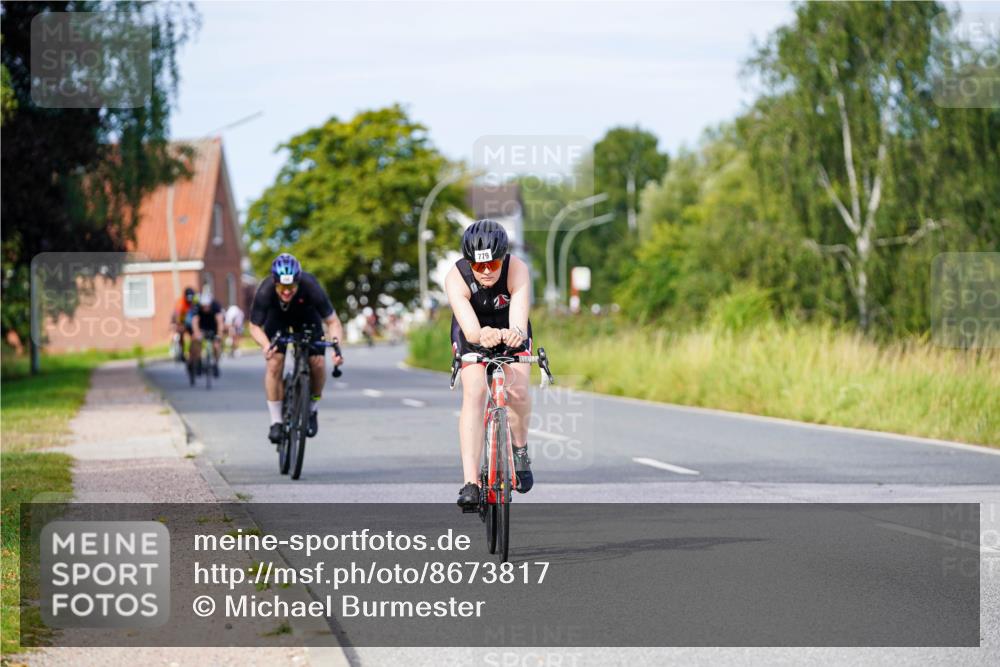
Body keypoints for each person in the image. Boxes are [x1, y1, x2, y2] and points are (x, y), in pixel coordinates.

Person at [445, 220, 533, 509]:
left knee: (517, 391)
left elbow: (519, 321)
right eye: (477, 265)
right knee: (475, 392)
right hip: (473, 331)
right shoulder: (456, 277)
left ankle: (519, 451)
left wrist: (514, 334)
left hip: (509, 327)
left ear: (503, 257)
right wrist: (481, 335)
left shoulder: (517, 269)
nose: (485, 272)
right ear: (468, 262)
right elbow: (470, 330)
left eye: (492, 264)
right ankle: (471, 482)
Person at [248, 253, 344, 444]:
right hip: (277, 320)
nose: (286, 292)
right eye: (282, 287)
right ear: (275, 283)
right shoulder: (266, 290)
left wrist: (336, 348)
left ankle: (312, 408)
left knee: (317, 363)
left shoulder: (311, 286)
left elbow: (333, 322)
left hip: (307, 318)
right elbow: (254, 326)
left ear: (298, 282)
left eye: (291, 286)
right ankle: (276, 420)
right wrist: (266, 345)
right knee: (274, 362)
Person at [189, 287, 224, 377]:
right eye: (204, 306)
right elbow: (195, 321)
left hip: (213, 326)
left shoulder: (215, 306)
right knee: (195, 341)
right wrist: (197, 333)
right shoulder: (197, 307)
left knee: (216, 345)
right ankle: (198, 361)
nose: (206, 308)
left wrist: (219, 335)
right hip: (202, 326)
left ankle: (215, 363)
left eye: (207, 306)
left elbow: (220, 322)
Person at [171, 287, 197, 361]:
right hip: (182, 320)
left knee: (194, 335)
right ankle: (181, 350)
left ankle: (191, 351)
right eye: (188, 298)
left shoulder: (195, 301)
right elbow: (177, 315)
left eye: (191, 298)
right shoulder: (180, 302)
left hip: (191, 321)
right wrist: (179, 325)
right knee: (180, 332)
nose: (190, 300)